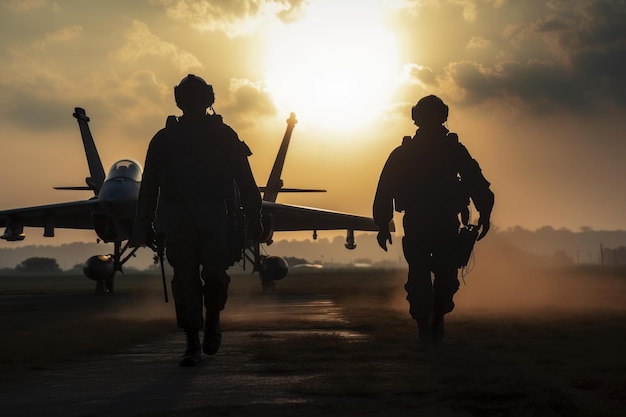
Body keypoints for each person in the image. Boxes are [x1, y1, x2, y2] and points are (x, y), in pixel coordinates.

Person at [133, 74, 263, 366]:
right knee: (185, 280)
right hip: (180, 218)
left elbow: (245, 180)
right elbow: (150, 184)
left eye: (195, 96)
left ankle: (213, 320)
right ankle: (193, 341)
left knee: (214, 276)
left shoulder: (223, 135)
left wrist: (254, 216)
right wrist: (144, 222)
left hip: (215, 215)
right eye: (188, 97)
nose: (191, 102)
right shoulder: (164, 139)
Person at [373, 95, 494, 343]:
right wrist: (484, 212)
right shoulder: (448, 150)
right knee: (433, 276)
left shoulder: (411, 152)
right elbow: (476, 183)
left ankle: (431, 323)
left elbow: (384, 189)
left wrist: (383, 224)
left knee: (436, 276)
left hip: (429, 223)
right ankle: (430, 325)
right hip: (434, 223)